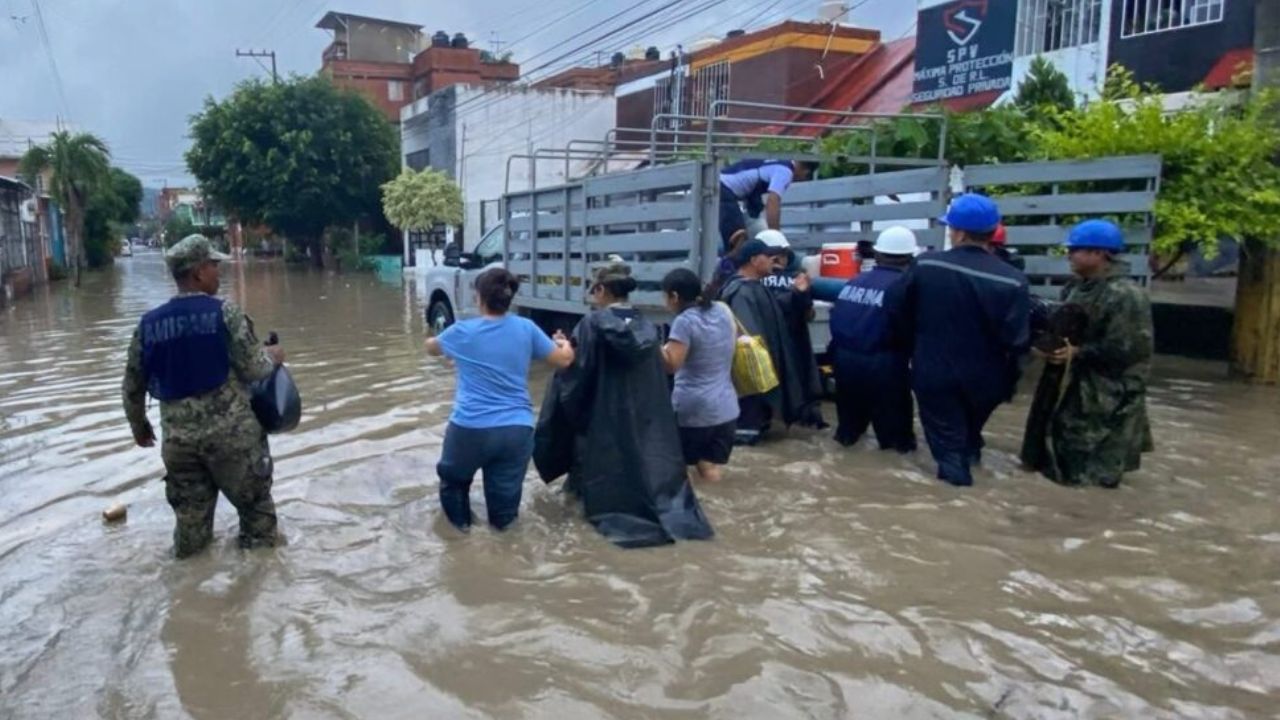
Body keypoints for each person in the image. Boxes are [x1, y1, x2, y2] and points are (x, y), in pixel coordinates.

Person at [121, 235, 287, 558]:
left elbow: (131, 386)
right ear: (197, 272)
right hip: (233, 442)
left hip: (180, 446)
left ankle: (190, 601)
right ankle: (256, 595)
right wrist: (274, 356)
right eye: (213, 265)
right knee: (258, 524)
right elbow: (255, 370)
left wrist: (139, 426)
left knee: (190, 536)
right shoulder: (225, 313)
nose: (218, 271)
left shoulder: (148, 325)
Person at [534, 261, 714, 548]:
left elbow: (575, 378)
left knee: (581, 490)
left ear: (602, 289)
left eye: (594, 290)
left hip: (601, 424)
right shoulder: (646, 325)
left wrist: (563, 348)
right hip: (639, 421)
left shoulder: (591, 324)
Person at [890, 194, 1031, 487]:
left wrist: (915, 344)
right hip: (988, 382)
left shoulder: (927, 265)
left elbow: (895, 307)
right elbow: (1017, 340)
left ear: (961, 233)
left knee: (949, 450)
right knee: (969, 435)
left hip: (936, 374)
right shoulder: (1014, 280)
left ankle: (958, 504)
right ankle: (974, 469)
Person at [426, 268, 575, 531]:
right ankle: (505, 556)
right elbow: (563, 361)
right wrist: (564, 344)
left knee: (454, 484)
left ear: (479, 297)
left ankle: (460, 543)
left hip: (469, 429)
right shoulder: (526, 329)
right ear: (509, 299)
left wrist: (450, 348)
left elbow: (431, 348)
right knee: (505, 513)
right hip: (516, 430)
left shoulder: (462, 332)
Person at [1020, 220, 1154, 488]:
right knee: (1059, 454)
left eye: (1075, 250)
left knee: (1096, 471)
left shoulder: (1126, 295)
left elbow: (1129, 349)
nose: (1069, 256)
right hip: (1071, 387)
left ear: (1099, 253)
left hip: (1110, 396)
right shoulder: (1076, 288)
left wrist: (1077, 353)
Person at [719, 238, 825, 445]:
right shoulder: (741, 292)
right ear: (753, 260)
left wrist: (798, 293)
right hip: (750, 388)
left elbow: (775, 309)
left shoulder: (753, 287)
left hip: (759, 383)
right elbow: (747, 345)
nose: (773, 261)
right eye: (768, 257)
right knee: (748, 434)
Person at [829, 226, 918, 453]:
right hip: (884, 366)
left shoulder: (855, 282)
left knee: (848, 436)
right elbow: (908, 331)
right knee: (896, 445)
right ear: (910, 257)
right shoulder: (906, 287)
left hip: (844, 363)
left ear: (877, 255)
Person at [660, 268, 738, 482]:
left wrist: (653, 345)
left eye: (665, 297)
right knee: (709, 467)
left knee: (679, 472)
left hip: (694, 412)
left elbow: (671, 365)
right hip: (726, 409)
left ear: (674, 296)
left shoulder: (684, 322)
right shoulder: (722, 310)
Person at [757, 229, 826, 429]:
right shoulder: (799, 279)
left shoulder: (752, 280)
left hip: (767, 344)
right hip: (795, 343)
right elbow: (809, 315)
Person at [718, 158, 816, 254]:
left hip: (727, 184)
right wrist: (776, 237)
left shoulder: (779, 161)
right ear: (806, 173)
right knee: (737, 240)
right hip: (725, 188)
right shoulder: (786, 171)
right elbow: (773, 201)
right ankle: (729, 266)